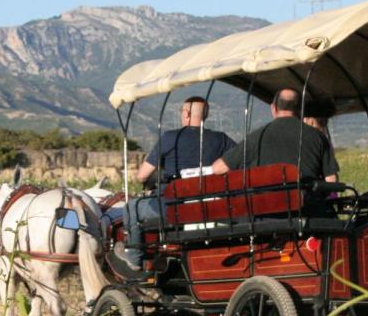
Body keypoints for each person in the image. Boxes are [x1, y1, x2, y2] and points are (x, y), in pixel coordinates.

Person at [117, 96, 235, 270]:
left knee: (131, 208)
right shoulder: (222, 139)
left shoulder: (170, 138)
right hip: (210, 206)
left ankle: (135, 258)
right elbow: (238, 162)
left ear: (186, 114)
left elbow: (142, 176)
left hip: (174, 208)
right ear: (206, 115)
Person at [211, 88, 338, 182]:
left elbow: (218, 169)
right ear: (300, 110)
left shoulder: (256, 137)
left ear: (274, 108)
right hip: (307, 210)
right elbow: (331, 179)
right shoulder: (318, 137)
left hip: (265, 212)